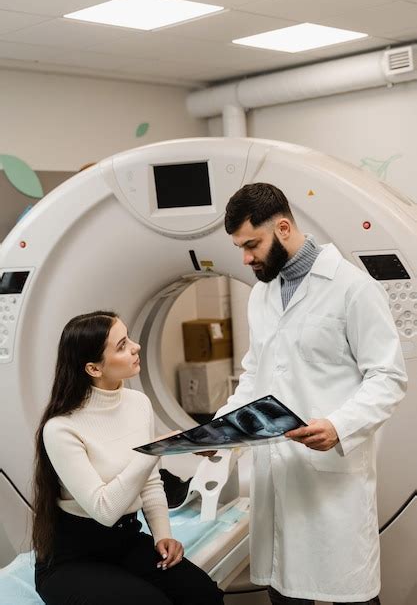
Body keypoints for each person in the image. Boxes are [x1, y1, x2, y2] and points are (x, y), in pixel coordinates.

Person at [214, 183, 407, 605]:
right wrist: (220, 427)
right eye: (239, 248)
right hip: (277, 469)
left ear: (283, 227)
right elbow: (255, 373)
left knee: (349, 592)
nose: (245, 258)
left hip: (331, 473)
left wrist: (339, 427)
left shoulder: (352, 288)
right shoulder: (262, 294)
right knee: (284, 591)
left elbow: (388, 376)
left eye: (252, 245)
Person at [32, 310, 224, 605]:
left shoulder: (138, 404)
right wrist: (153, 451)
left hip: (126, 542)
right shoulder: (61, 429)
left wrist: (162, 535)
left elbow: (149, 482)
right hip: (72, 560)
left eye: (129, 339)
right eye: (121, 345)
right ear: (94, 369)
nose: (135, 347)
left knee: (203, 595)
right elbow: (105, 510)